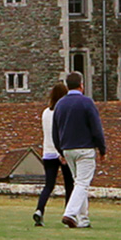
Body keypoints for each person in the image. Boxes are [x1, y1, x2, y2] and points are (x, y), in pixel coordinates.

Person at [51, 71, 105, 229]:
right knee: (82, 183)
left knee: (78, 184)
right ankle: (70, 213)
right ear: (81, 85)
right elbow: (96, 128)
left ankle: (83, 219)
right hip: (85, 149)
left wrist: (60, 151)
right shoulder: (86, 103)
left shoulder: (60, 104)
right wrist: (102, 148)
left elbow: (56, 131)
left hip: (67, 149)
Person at [33, 82, 71, 226]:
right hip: (62, 152)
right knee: (69, 185)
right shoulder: (63, 112)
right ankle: (69, 215)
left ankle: (39, 210)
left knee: (48, 185)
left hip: (48, 152)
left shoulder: (45, 112)